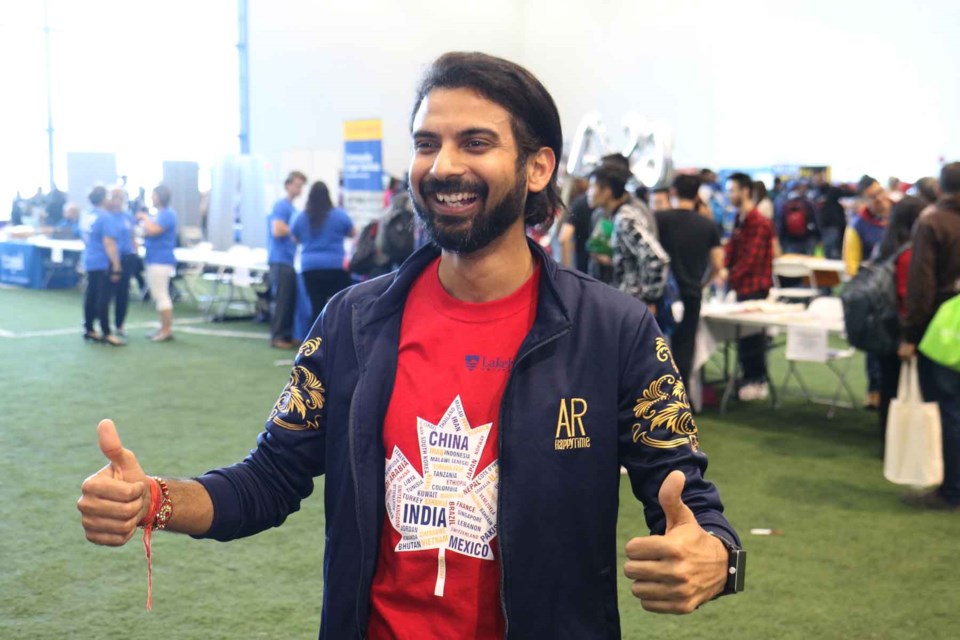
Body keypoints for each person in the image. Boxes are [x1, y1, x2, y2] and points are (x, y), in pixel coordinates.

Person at [78, 51, 744, 639]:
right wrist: (156, 500)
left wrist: (716, 557)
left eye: (475, 142)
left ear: (538, 167)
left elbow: (689, 500)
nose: (444, 165)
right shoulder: (353, 322)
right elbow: (273, 476)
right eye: (428, 143)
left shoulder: (616, 331)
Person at [899, 162, 960, 510]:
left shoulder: (933, 221)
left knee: (949, 410)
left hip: (943, 330)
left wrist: (910, 334)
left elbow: (920, 287)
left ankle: (952, 488)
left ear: (940, 188)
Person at [656, 174, 725, 386]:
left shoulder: (659, 219)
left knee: (656, 348)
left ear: (673, 192)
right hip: (692, 292)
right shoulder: (707, 225)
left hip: (662, 294)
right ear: (697, 194)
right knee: (684, 349)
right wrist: (702, 283)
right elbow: (717, 264)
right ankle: (681, 403)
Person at [873, 197, 924, 448]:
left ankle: (889, 441)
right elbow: (906, 296)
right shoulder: (908, 253)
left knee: (890, 387)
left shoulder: (886, 247)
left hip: (885, 327)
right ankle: (896, 445)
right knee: (901, 389)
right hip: (900, 330)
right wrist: (910, 336)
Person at [589, 163, 669, 311]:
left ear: (606, 191)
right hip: (625, 303)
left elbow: (657, 258)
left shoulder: (625, 219)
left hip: (632, 307)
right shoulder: (618, 216)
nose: (589, 192)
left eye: (593, 187)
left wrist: (649, 300)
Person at [725, 172, 775, 400]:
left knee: (753, 338)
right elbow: (732, 251)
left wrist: (729, 275)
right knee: (745, 339)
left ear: (745, 191)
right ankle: (748, 378)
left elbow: (751, 259)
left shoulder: (758, 221)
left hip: (755, 287)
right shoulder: (740, 218)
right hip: (741, 286)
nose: (729, 195)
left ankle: (757, 380)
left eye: (732, 190)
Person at [845, 175, 891, 409]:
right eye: (874, 196)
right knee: (875, 348)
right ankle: (874, 390)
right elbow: (851, 266)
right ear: (865, 200)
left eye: (881, 192)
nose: (881, 199)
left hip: (897, 295)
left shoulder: (897, 219)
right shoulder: (857, 226)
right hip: (873, 296)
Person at [291, 181, 356, 319]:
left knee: (316, 307)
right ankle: (338, 339)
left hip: (310, 267)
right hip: (336, 266)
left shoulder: (301, 217)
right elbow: (352, 233)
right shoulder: (339, 215)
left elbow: (295, 238)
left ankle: (316, 339)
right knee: (339, 307)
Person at [80, 186, 125, 346]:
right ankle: (107, 332)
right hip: (101, 261)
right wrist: (116, 264)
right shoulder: (105, 217)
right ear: (103, 199)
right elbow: (109, 243)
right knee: (103, 298)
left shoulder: (86, 215)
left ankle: (89, 328)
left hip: (89, 259)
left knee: (90, 295)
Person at [267, 171, 306, 349]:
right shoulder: (281, 206)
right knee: (283, 299)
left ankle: (286, 334)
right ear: (288, 184)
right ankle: (277, 336)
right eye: (297, 185)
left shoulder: (292, 209)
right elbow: (277, 229)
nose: (299, 189)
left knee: (289, 298)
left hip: (289, 260)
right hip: (280, 258)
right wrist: (295, 230)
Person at [137, 185, 178, 342]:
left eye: (154, 195)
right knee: (157, 294)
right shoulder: (160, 214)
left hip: (161, 260)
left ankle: (166, 329)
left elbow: (153, 231)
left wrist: (145, 219)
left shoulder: (167, 214)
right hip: (153, 258)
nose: (152, 199)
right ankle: (163, 327)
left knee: (161, 294)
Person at [106, 188, 138, 337]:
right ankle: (103, 324)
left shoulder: (128, 217)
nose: (118, 200)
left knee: (123, 293)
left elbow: (132, 235)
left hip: (127, 257)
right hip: (111, 259)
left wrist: (135, 250)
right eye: (115, 197)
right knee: (107, 293)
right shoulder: (106, 217)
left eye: (120, 197)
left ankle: (120, 324)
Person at [556, 176, 590, 271]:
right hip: (573, 269)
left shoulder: (562, 216)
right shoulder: (580, 210)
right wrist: (567, 273)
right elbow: (564, 239)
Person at [817, 186, 848, 260]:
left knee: (828, 250)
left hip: (828, 228)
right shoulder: (836, 206)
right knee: (832, 250)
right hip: (834, 228)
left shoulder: (824, 204)